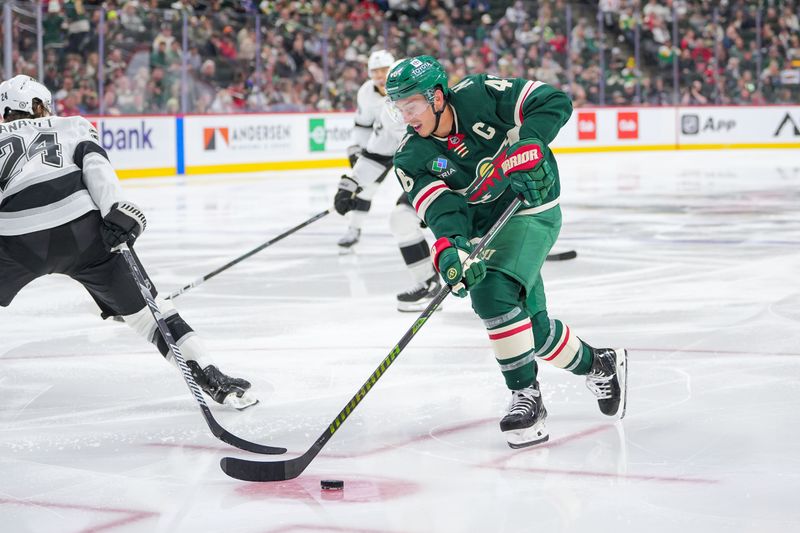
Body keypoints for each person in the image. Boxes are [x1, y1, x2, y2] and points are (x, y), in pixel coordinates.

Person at [385, 56, 628, 448]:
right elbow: (442, 210)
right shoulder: (411, 157)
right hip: (487, 228)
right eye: (399, 108)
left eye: (410, 105)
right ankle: (598, 363)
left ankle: (526, 397)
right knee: (530, 328)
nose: (406, 115)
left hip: (531, 204)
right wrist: (451, 249)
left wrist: (531, 144)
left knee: (492, 293)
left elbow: (553, 101)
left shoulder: (480, 94)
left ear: (436, 97)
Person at [0, 75, 255, 409]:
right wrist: (118, 210)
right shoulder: (71, 124)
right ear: (36, 105)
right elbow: (96, 167)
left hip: (15, 237)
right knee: (153, 316)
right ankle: (210, 374)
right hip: (81, 230)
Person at [333, 51, 441, 311]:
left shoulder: (436, 100)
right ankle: (428, 283)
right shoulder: (387, 112)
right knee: (401, 219)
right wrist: (351, 182)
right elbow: (377, 152)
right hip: (427, 174)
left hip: (457, 170)